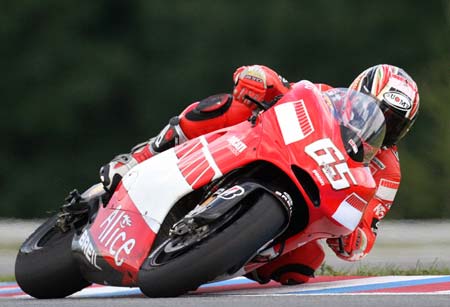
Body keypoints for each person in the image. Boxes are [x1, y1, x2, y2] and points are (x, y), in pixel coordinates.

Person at [99, 64, 420, 285]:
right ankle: (143, 155)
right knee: (230, 106)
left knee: (303, 266)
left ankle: (219, 252)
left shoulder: (387, 170)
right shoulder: (324, 96)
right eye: (379, 111)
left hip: (308, 201)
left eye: (394, 124)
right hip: (266, 150)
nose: (383, 125)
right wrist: (260, 79)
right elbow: (281, 90)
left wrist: (354, 238)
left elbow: (367, 230)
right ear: (358, 92)